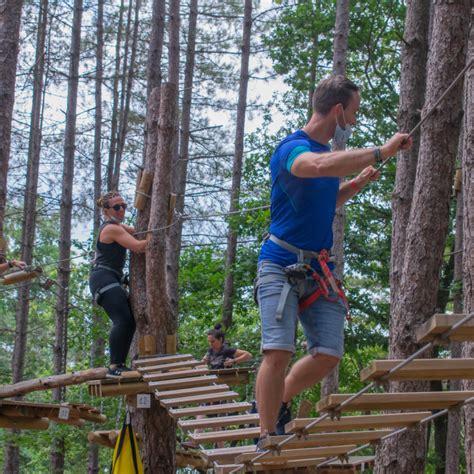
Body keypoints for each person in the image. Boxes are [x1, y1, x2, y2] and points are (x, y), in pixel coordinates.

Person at [254, 75, 413, 445]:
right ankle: (265, 433)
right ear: (338, 110)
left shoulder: (327, 158)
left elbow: (324, 197)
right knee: (278, 350)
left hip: (318, 268)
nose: (354, 121)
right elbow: (314, 167)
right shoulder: (293, 149)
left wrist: (354, 185)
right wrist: (381, 151)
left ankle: (275, 403)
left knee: (328, 353)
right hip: (280, 263)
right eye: (353, 112)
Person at [89, 191, 147, 378]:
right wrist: (157, 239)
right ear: (106, 210)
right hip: (103, 278)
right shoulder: (111, 229)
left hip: (111, 278)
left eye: (124, 206)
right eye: (116, 207)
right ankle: (115, 366)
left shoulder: (117, 227)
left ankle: (119, 364)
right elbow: (138, 247)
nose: (121, 209)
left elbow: (135, 231)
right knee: (122, 320)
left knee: (129, 322)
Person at [181, 324, 253, 450]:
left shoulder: (228, 350)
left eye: (213, 341)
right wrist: (203, 362)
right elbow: (203, 361)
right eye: (209, 342)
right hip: (212, 386)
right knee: (214, 421)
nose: (211, 344)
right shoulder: (210, 351)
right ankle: (221, 451)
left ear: (220, 340)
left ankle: (196, 440)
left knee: (203, 410)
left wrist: (233, 361)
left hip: (221, 388)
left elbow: (248, 355)